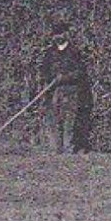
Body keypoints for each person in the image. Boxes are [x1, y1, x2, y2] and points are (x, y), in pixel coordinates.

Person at [32, 19, 92, 153]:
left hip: (71, 90)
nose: (57, 37)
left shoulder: (74, 52)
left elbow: (80, 72)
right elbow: (44, 70)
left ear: (65, 34)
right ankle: (55, 149)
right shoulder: (50, 53)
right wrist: (48, 80)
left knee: (69, 120)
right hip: (53, 91)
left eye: (60, 33)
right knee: (54, 118)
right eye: (55, 34)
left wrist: (65, 77)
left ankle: (68, 148)